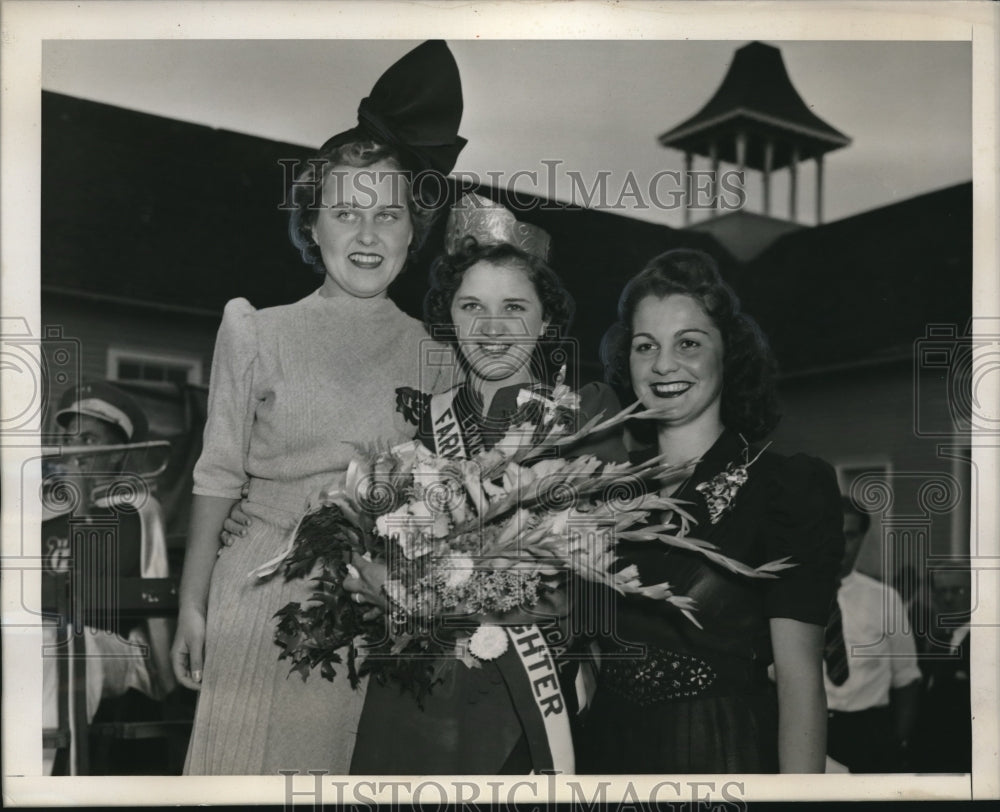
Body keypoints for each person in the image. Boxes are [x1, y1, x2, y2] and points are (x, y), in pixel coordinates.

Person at [170, 40, 467, 775]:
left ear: (413, 232)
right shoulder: (255, 329)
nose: (367, 235)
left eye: (389, 215)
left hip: (372, 614)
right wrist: (193, 605)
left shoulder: (440, 354)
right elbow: (216, 478)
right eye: (346, 211)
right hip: (255, 599)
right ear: (312, 224)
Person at [341, 194, 627, 774]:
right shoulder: (419, 429)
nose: (492, 329)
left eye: (514, 307)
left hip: (517, 695)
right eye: (472, 306)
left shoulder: (582, 418)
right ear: (450, 319)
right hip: (412, 697)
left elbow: (593, 586)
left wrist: (415, 599)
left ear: (547, 321)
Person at [579, 248, 843, 774]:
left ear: (729, 355)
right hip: (604, 761)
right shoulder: (600, 486)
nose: (663, 364)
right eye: (645, 346)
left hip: (723, 755)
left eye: (689, 343)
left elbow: (799, 683)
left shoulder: (785, 487)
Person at [42, 380, 174, 772]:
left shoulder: (136, 508)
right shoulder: (43, 511)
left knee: (62, 648)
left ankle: (43, 773)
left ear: (117, 455)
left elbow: (98, 591)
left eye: (88, 439)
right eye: (68, 437)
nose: (71, 449)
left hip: (119, 645)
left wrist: (80, 505)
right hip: (51, 633)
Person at [824, 498, 922, 772]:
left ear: (862, 538)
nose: (840, 545)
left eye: (850, 535)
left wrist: (898, 742)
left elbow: (907, 678)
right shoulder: (790, 598)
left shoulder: (885, 599)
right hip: (811, 731)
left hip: (869, 735)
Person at [910, 564, 971, 772]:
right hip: (930, 760)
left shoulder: (987, 644)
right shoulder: (938, 641)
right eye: (941, 591)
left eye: (957, 591)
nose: (947, 599)